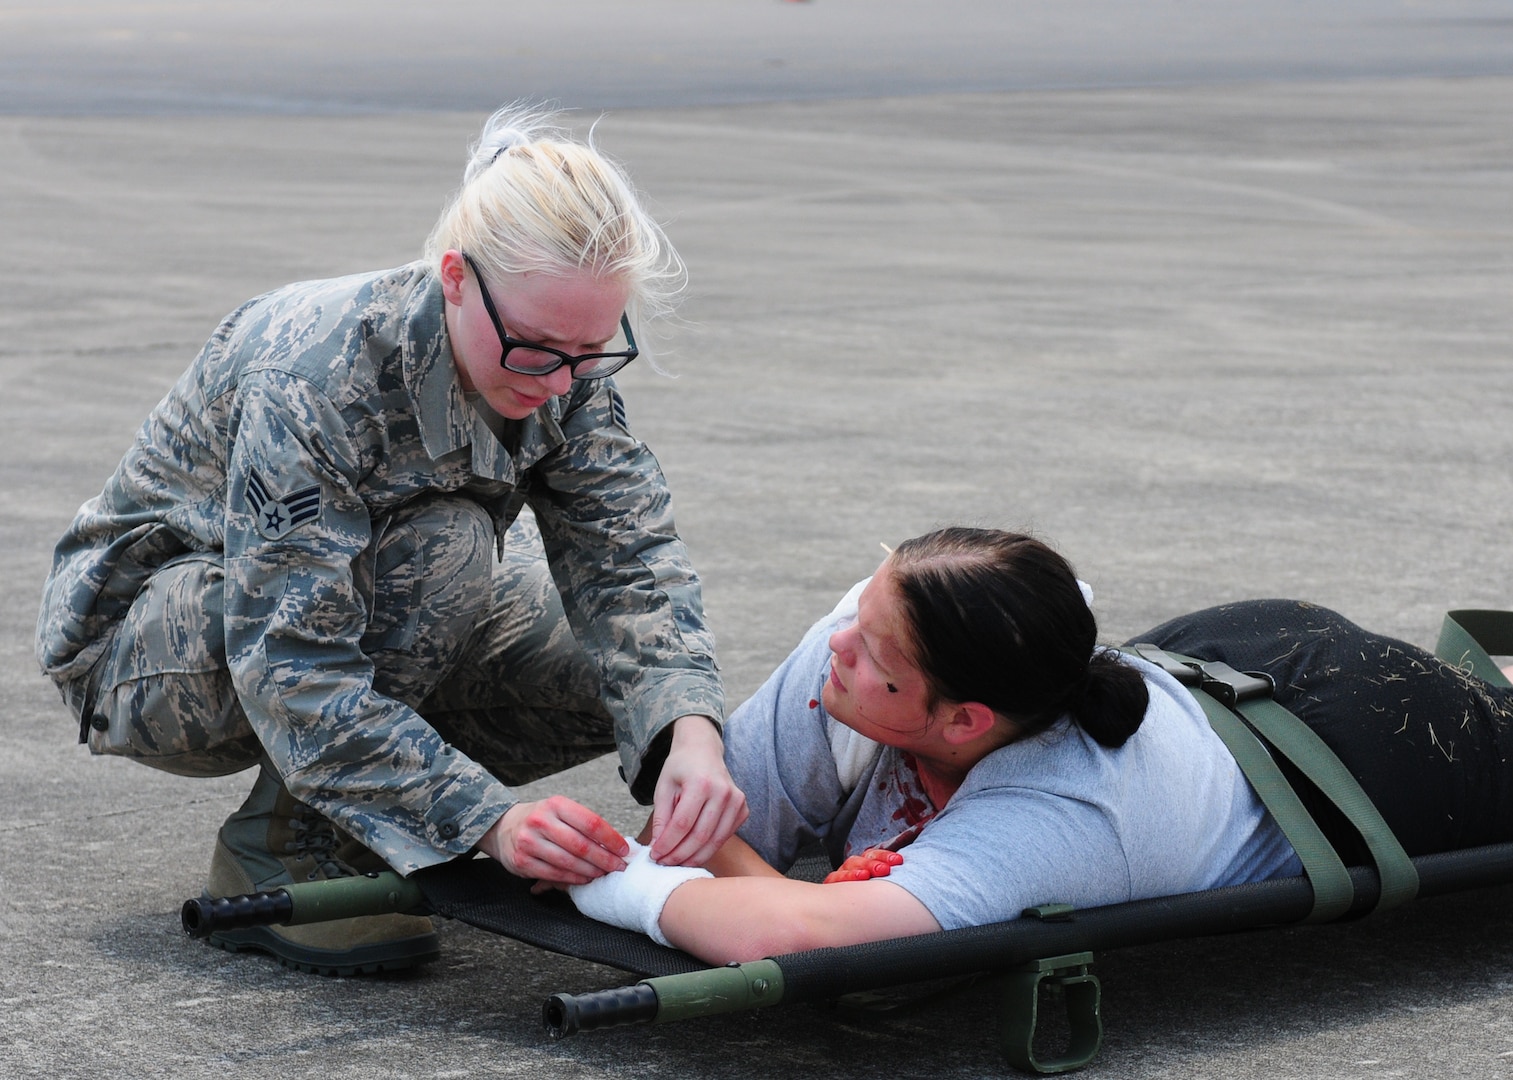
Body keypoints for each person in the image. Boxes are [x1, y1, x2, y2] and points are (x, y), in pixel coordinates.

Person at [35, 103, 746, 975]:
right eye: (537, 350)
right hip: (156, 651)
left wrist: (689, 737)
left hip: (349, 615)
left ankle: (384, 802)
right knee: (444, 550)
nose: (560, 379)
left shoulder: (558, 359)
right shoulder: (317, 374)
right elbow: (292, 659)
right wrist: (488, 819)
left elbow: (627, 560)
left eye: (591, 350)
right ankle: (288, 844)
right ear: (454, 277)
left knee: (610, 675)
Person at [567, 527, 1513, 965]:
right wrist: (702, 856)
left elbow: (786, 933)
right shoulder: (866, 647)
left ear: (963, 722)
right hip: (1226, 652)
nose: (835, 649)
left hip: (1370, 760)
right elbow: (722, 850)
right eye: (858, 612)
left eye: (872, 657)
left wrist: (605, 873)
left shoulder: (1056, 815)